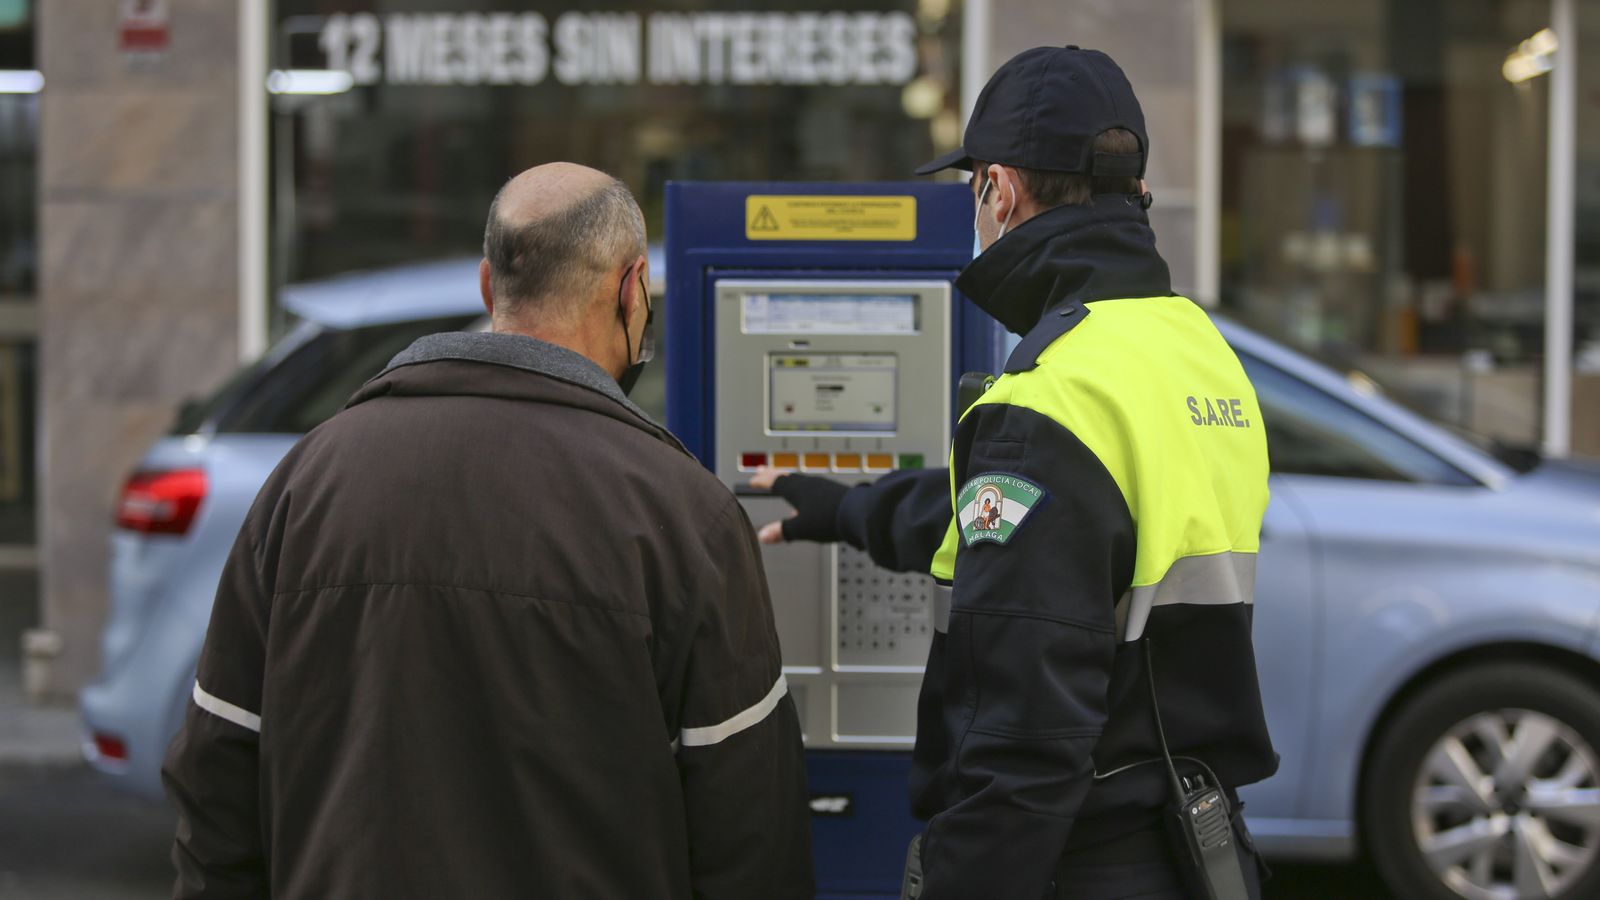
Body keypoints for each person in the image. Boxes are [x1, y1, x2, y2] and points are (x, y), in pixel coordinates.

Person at [163, 163, 814, 900]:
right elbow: (751, 835)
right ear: (633, 291)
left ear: (486, 285)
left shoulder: (306, 481)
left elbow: (217, 781)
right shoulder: (683, 516)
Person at [753, 47, 1274, 899]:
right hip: (1195, 846)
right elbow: (1041, 529)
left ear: (1000, 190)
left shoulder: (1052, 396)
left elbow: (1026, 742)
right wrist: (845, 509)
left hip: (1083, 861)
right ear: (1131, 188)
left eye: (974, 194)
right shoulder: (1192, 350)